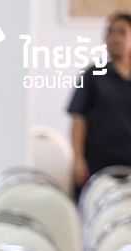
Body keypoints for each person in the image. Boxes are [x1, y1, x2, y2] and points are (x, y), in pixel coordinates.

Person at [70, 12, 131, 192]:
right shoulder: (92, 75)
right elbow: (78, 118)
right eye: (110, 32)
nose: (115, 38)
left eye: (122, 32)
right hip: (98, 163)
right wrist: (78, 159)